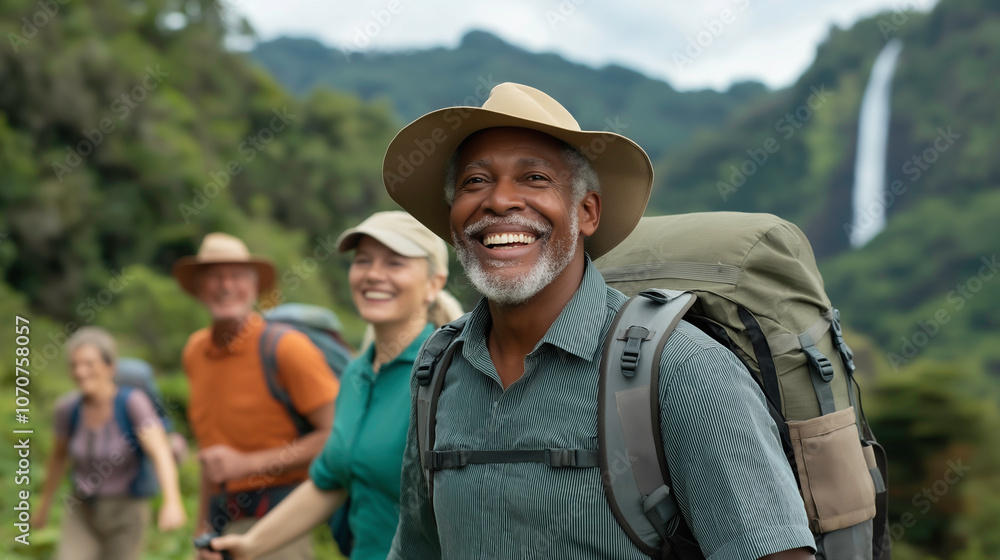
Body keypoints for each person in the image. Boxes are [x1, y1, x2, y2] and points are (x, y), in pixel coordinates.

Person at [383, 83, 819, 559]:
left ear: (586, 212)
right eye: (474, 182)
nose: (499, 200)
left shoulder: (683, 370)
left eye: (534, 178)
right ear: (453, 221)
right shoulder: (438, 369)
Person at [205, 211, 462, 560]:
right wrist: (250, 545)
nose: (373, 274)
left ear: (434, 283)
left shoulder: (450, 375)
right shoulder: (355, 373)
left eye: (395, 263)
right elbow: (329, 482)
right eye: (363, 261)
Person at [175, 232, 341, 560]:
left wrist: (247, 464)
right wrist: (203, 531)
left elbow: (338, 436)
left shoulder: (286, 349)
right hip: (223, 518)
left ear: (254, 287)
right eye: (214, 277)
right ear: (198, 288)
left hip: (281, 520)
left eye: (236, 276)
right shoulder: (194, 352)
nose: (225, 286)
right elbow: (213, 459)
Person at [37, 326, 186, 560]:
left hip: (126, 511)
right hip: (82, 509)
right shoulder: (68, 408)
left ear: (110, 367)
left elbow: (160, 452)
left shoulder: (133, 404)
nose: (80, 371)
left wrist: (172, 500)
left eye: (89, 363)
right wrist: (43, 506)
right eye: (74, 365)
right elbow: (58, 457)